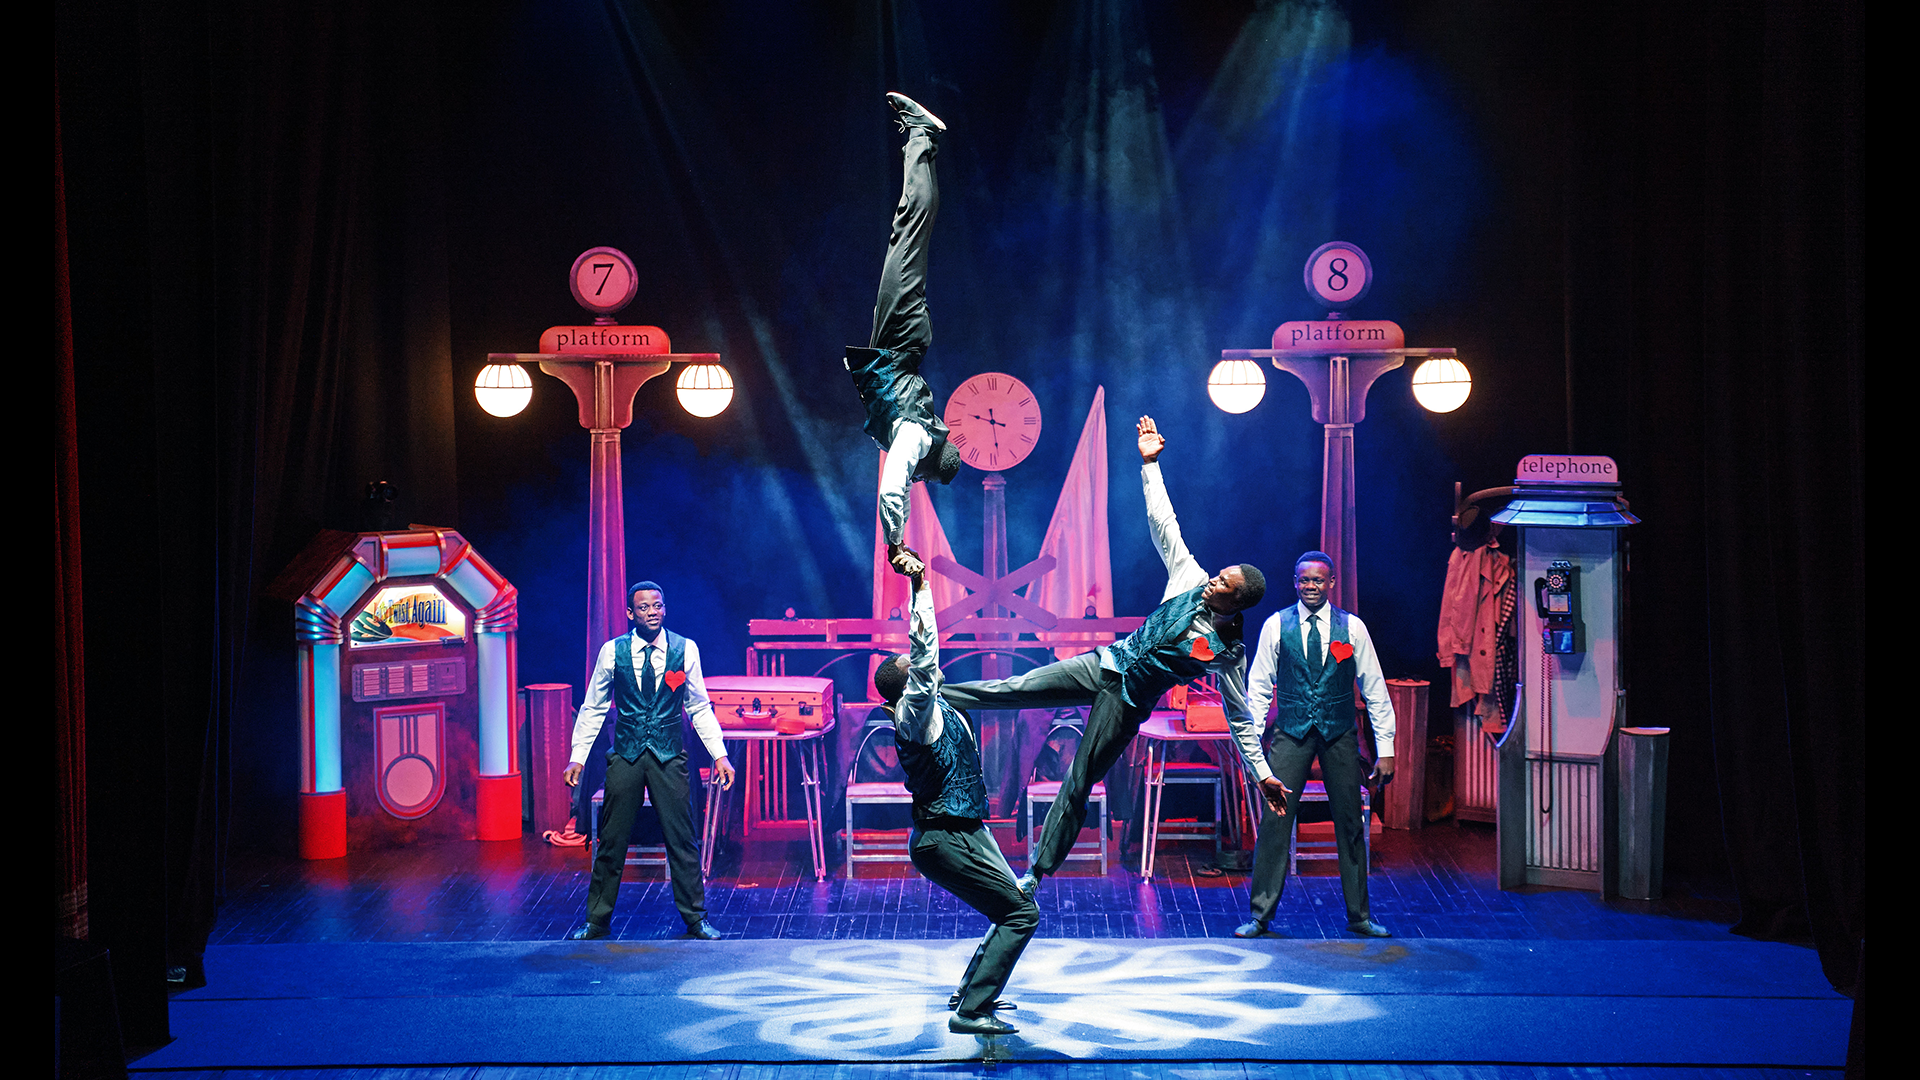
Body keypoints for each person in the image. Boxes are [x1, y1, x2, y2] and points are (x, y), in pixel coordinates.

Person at [941, 416, 1277, 893]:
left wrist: (1260, 773)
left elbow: (1240, 716)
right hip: (1103, 662)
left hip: (1127, 702)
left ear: (1236, 602)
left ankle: (1035, 874)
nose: (1212, 580)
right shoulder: (1188, 577)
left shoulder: (1227, 651)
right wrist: (1150, 464)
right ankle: (928, 693)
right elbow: (1164, 523)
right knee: (1015, 688)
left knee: (1079, 780)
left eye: (1223, 583)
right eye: (1217, 573)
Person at [874, 558, 1037, 1036]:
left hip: (967, 829)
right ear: (909, 687)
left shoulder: (938, 706)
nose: (925, 667)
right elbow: (924, 655)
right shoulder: (914, 714)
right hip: (944, 837)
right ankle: (970, 1013)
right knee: (1020, 914)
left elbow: (925, 666)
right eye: (916, 670)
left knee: (1012, 903)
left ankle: (970, 993)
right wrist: (920, 586)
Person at [1232, 552, 1396, 939]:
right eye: (1304, 580)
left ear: (1332, 583)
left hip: (1338, 735)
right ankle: (1260, 915)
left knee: (1350, 823)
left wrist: (1385, 747)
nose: (1311, 586)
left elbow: (1374, 687)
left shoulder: (1352, 628)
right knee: (1275, 822)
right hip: (1291, 733)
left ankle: (1359, 916)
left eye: (1318, 580)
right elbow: (1258, 686)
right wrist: (1253, 741)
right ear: (1294, 582)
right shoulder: (1277, 625)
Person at [563, 581, 736, 941]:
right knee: (611, 840)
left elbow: (699, 706)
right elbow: (593, 707)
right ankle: (597, 921)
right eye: (643, 607)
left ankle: (696, 919)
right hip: (626, 753)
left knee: (682, 838)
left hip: (669, 754)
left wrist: (719, 754)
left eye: (657, 606)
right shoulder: (612, 652)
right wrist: (577, 757)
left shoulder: (684, 650)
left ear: (665, 609)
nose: (652, 612)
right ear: (631, 613)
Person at [845, 91, 964, 578]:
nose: (916, 472)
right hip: (898, 343)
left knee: (909, 232)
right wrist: (895, 543)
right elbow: (893, 484)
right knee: (909, 230)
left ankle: (922, 140)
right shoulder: (915, 434)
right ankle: (922, 135)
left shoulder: (910, 432)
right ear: (930, 457)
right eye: (924, 471)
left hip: (893, 345)